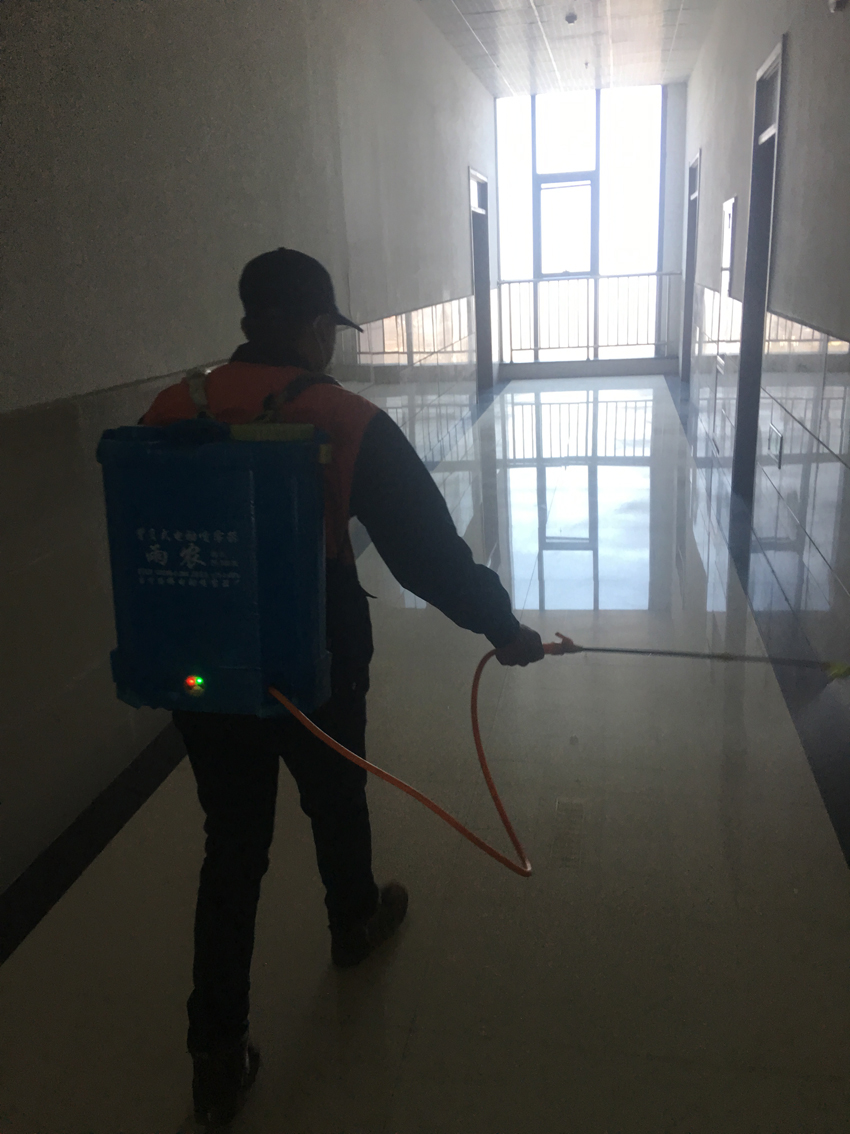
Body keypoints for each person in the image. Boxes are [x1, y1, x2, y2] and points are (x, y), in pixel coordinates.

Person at [140, 248, 544, 1129]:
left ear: (249, 319)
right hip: (313, 662)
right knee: (336, 796)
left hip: (205, 666)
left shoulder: (171, 408)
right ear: (318, 328)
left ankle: (216, 1056)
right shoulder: (341, 416)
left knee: (232, 843)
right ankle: (354, 922)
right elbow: (428, 555)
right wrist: (503, 630)